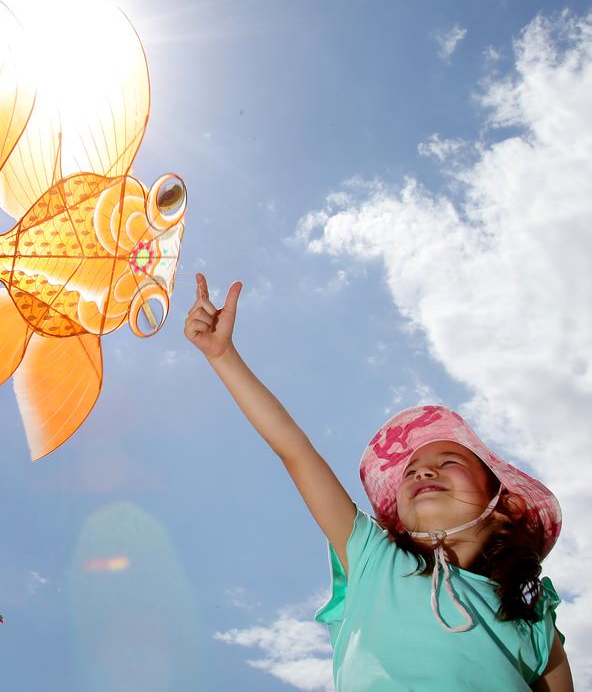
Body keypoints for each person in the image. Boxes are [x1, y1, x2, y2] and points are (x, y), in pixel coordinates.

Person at [184, 273, 573, 691]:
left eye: (449, 461)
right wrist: (222, 356)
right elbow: (295, 450)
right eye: (411, 470)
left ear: (505, 507)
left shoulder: (531, 616)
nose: (424, 471)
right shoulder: (374, 557)